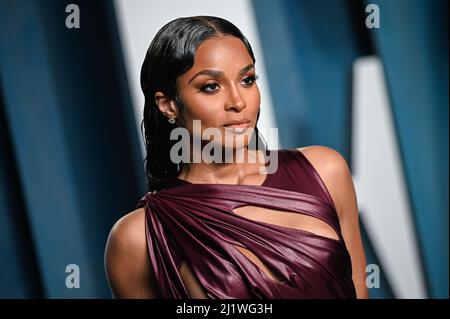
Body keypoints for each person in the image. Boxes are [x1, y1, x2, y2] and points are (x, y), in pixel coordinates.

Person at [104, 16, 368, 299]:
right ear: (168, 105)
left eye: (247, 80)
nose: (238, 102)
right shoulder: (138, 237)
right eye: (211, 86)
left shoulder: (325, 171)